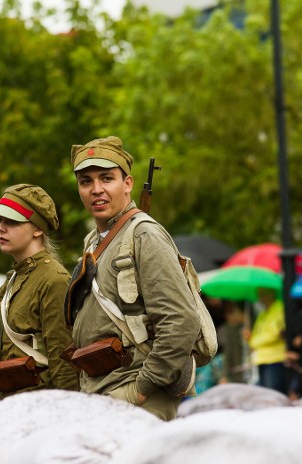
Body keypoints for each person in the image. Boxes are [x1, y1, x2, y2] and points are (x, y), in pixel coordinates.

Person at [63, 137, 203, 420]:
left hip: (137, 396)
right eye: (86, 182)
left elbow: (181, 321)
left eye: (106, 178)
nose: (96, 189)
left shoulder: (144, 235)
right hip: (101, 392)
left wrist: (142, 387)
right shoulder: (92, 242)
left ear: (127, 183)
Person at [0, 184, 78, 401]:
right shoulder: (8, 284)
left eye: (11, 221)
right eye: (0, 220)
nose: (0, 227)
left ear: (37, 229)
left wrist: (69, 414)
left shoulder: (53, 279)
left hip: (44, 409)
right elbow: (0, 362)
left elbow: (64, 360)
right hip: (13, 407)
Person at [245, 287, 288, 395]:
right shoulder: (263, 313)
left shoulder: (280, 308)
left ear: (270, 293)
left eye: (262, 293)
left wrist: (253, 341)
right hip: (261, 359)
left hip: (275, 359)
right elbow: (256, 334)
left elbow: (274, 334)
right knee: (265, 394)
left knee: (273, 394)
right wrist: (250, 338)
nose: (259, 296)